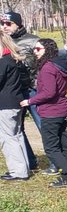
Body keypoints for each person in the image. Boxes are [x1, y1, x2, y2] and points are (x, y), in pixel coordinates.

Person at [21, 39, 67, 188]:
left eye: (38, 49)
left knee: (51, 148)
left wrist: (30, 101)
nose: (35, 52)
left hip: (52, 113)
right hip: (63, 110)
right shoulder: (60, 65)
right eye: (34, 49)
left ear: (47, 50)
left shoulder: (47, 68)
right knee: (66, 144)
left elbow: (49, 92)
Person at [0, 33, 30, 180]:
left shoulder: (3, 62)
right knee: (17, 136)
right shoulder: (13, 60)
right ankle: (23, 168)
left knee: (8, 138)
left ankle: (18, 172)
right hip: (16, 102)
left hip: (5, 104)